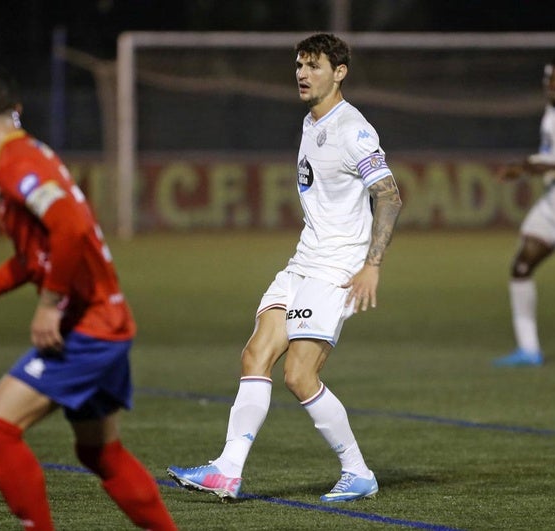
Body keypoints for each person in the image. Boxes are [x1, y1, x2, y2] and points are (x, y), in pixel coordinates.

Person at [0, 65, 177, 531]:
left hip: (88, 325)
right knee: (100, 452)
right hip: (105, 320)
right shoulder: (25, 154)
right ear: (15, 109)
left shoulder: (17, 163)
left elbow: (71, 228)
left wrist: (48, 304)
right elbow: (34, 257)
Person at [167, 33, 402, 503]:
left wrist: (371, 265)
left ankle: (357, 472)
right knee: (255, 356)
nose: (301, 73)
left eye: (314, 66)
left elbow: (390, 194)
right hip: (302, 263)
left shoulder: (352, 128)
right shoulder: (311, 121)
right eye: (299, 65)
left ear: (339, 73)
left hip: (336, 268)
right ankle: (227, 470)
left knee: (298, 375)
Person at [493, 57, 555, 367]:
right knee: (522, 266)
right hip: (553, 199)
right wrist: (525, 165)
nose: (551, 85)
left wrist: (526, 167)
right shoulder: (554, 111)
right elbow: (552, 155)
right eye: (548, 79)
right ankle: (529, 350)